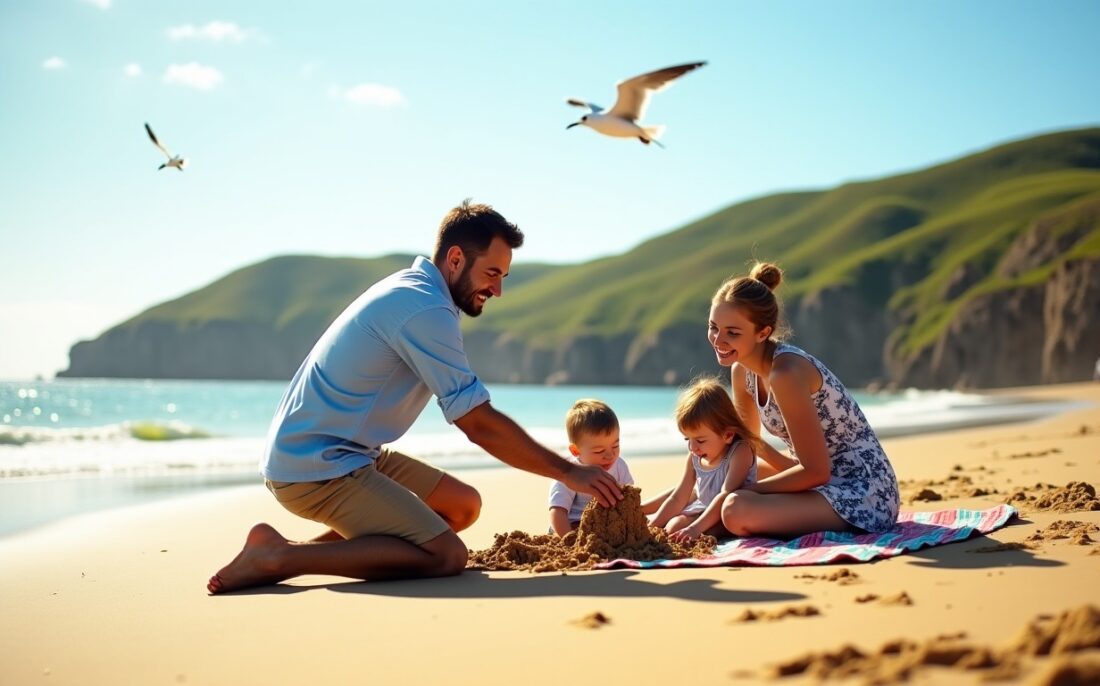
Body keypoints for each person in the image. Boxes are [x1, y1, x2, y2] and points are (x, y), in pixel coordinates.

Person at [207, 200, 623, 594]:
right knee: (445, 555)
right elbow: (476, 423)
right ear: (456, 259)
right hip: (317, 468)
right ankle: (279, 557)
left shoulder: (419, 292)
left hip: (352, 454)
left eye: (503, 277)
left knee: (461, 506)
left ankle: (290, 550)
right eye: (492, 273)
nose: (498, 290)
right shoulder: (424, 309)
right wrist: (569, 473)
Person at [710, 262, 900, 539]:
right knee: (722, 481)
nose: (718, 340)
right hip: (815, 480)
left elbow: (815, 472)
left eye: (732, 333)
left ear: (763, 333)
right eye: (714, 327)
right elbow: (747, 452)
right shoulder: (742, 371)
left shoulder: (786, 373)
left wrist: (744, 490)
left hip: (863, 491)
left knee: (735, 508)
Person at [648, 377, 759, 542]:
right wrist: (653, 525)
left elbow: (725, 495)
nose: (693, 447)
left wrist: (694, 529)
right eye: (687, 440)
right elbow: (678, 498)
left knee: (682, 530)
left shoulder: (740, 451)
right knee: (673, 526)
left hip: (728, 512)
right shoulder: (694, 457)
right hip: (702, 509)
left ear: (727, 435)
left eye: (700, 441)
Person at [548, 399, 644, 536]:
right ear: (575, 451)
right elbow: (558, 512)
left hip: (606, 525)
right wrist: (567, 540)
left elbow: (630, 501)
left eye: (615, 446)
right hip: (574, 524)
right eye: (599, 451)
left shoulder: (619, 466)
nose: (610, 455)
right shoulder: (569, 473)